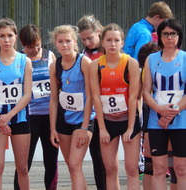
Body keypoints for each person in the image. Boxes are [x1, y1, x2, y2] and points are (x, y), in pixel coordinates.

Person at [90, 23, 141, 190]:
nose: (112, 44)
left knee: (132, 169)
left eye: (116, 40)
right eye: (109, 40)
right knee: (110, 169)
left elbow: (134, 97)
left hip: (129, 120)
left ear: (122, 43)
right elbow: (96, 98)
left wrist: (130, 128)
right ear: (103, 42)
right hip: (107, 122)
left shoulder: (131, 63)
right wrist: (102, 128)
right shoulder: (95, 65)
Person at [0, 17, 32, 190]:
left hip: (19, 118)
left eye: (10, 35)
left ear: (16, 37)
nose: (6, 40)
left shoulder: (24, 61)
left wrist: (9, 116)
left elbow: (27, 95)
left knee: (22, 168)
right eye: (2, 36)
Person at [13, 24, 58, 190]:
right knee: (24, 162)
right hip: (29, 116)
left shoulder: (49, 55)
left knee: (51, 160)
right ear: (23, 45)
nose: (34, 50)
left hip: (49, 115)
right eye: (30, 47)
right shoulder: (18, 59)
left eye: (37, 45)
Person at [143, 18, 186, 190]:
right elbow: (146, 91)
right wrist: (159, 109)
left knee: (182, 169)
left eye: (173, 33)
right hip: (156, 121)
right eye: (165, 34)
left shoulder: (185, 58)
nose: (169, 37)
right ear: (159, 37)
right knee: (159, 168)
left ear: (179, 36)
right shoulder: (151, 59)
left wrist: (172, 112)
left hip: (181, 120)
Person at [49, 25, 93, 190]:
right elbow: (53, 99)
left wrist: (84, 126)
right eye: (61, 41)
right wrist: (53, 128)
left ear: (75, 42)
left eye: (68, 41)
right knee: (73, 166)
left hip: (83, 119)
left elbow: (91, 96)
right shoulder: (55, 65)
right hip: (63, 119)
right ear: (56, 44)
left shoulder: (84, 62)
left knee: (75, 164)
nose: (65, 45)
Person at [77, 15, 106, 190]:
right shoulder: (82, 54)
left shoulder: (111, 49)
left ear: (99, 32)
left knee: (107, 160)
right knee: (96, 156)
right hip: (91, 111)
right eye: (83, 39)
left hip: (109, 110)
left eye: (90, 38)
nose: (87, 42)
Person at [137, 41, 161, 190]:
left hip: (167, 116)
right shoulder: (140, 73)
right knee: (150, 165)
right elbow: (138, 97)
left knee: (154, 165)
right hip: (149, 119)